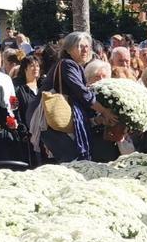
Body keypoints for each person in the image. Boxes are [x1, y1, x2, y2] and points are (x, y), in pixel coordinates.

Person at [40, 31, 110, 162]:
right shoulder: (67, 64)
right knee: (71, 162)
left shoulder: (75, 66)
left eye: (87, 46)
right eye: (80, 46)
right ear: (68, 49)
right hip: (62, 122)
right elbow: (82, 93)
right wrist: (104, 111)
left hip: (68, 123)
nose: (85, 50)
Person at [14, 54, 42, 128]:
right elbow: (17, 112)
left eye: (37, 66)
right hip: (27, 130)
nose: (36, 68)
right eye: (32, 66)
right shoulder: (18, 89)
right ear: (25, 69)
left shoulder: (42, 86)